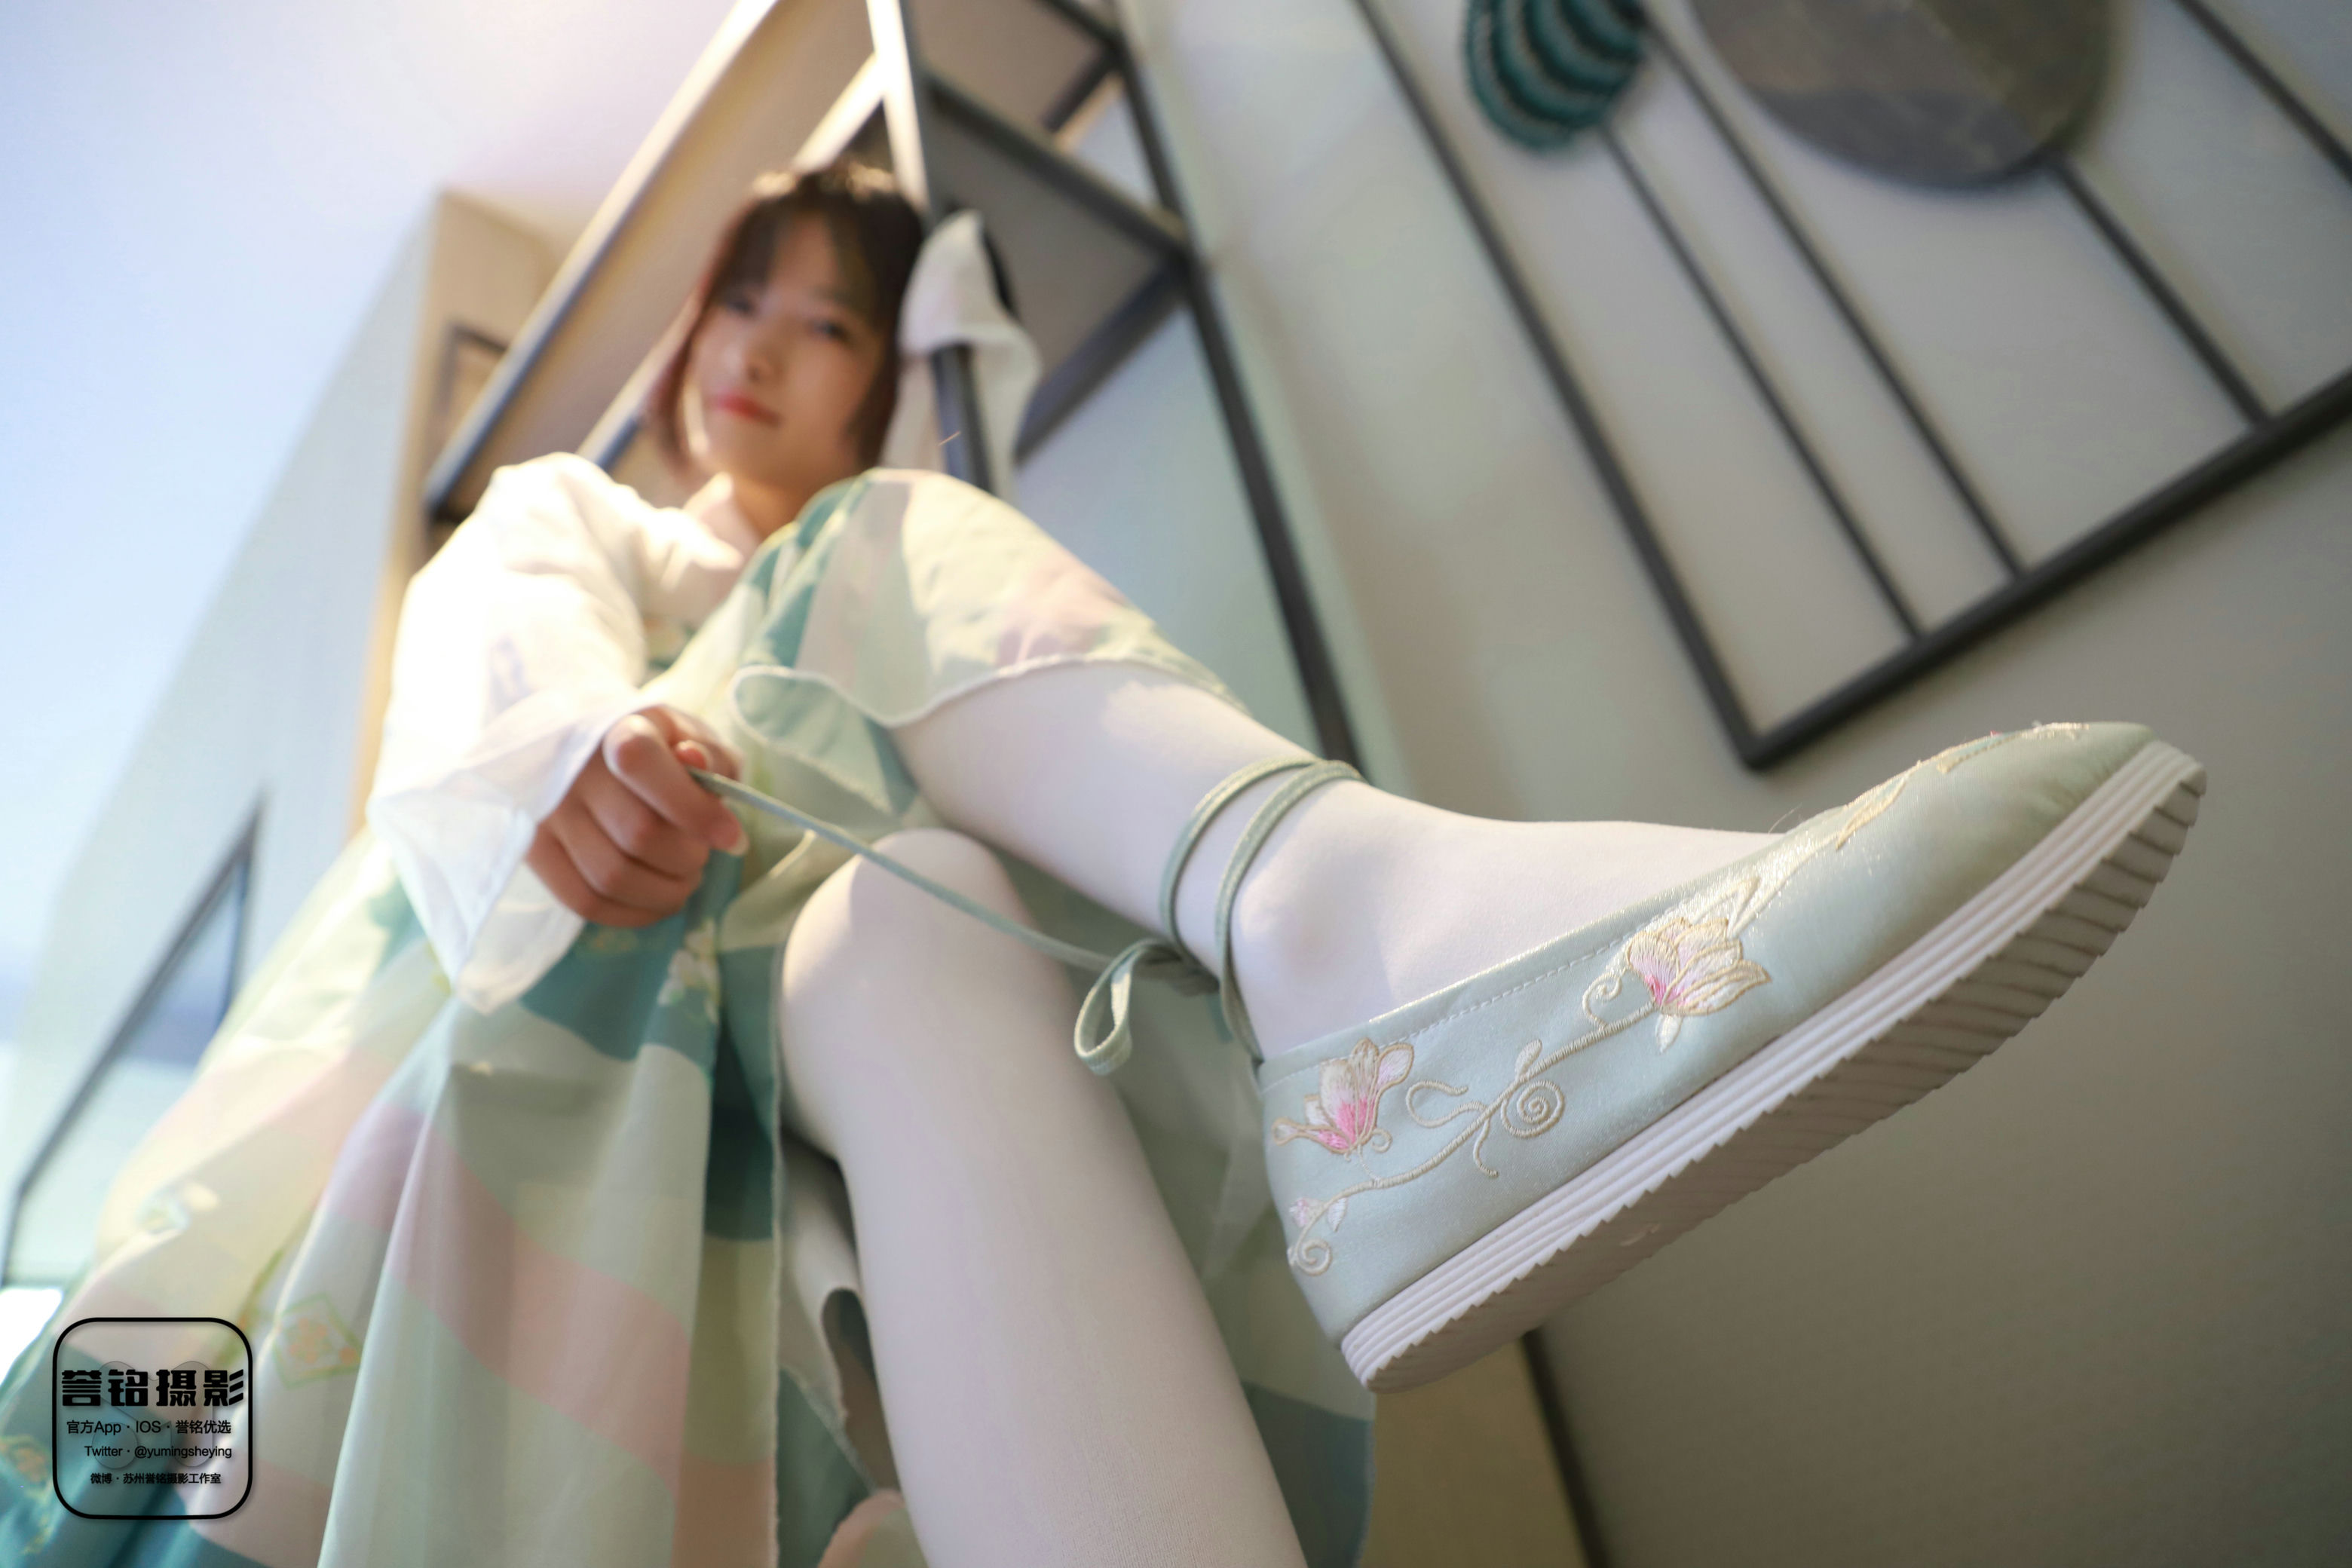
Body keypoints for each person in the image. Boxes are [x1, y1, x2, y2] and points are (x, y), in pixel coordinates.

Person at [0, 161, 2205, 1568]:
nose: (761, 345)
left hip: (809, 1021)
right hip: (549, 1005)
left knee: (934, 921)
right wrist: (578, 761)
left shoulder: (902, 622)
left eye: (830, 322)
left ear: (882, 376)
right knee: (901, 709)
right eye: (742, 299)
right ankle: (1337, 927)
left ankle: (1337, 954)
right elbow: (504, 692)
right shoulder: (601, 530)